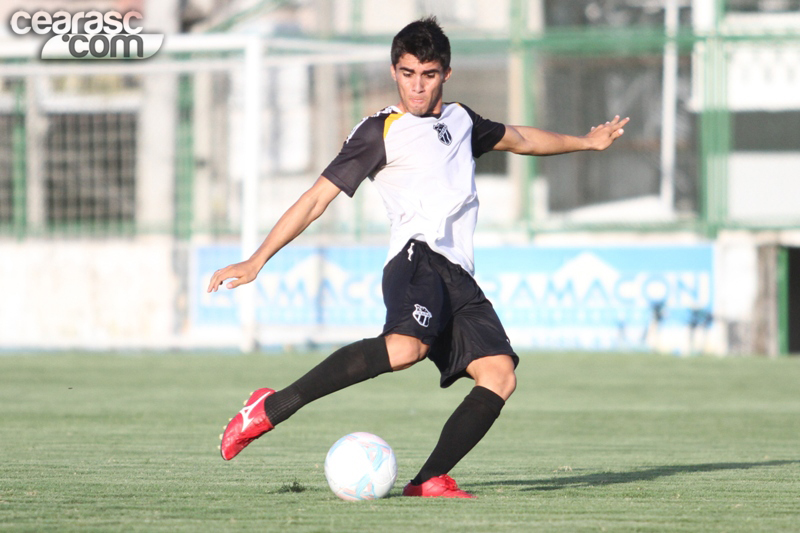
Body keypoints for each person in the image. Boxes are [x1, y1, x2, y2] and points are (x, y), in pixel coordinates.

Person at [207, 16, 629, 499]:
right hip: (416, 258)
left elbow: (522, 139)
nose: (417, 86)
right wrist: (256, 260)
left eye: (427, 75)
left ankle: (428, 478)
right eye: (407, 73)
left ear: (445, 74)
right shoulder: (380, 131)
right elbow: (315, 198)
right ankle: (269, 408)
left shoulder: (463, 121)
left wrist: (587, 142)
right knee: (406, 348)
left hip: (459, 275)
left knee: (499, 375)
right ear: (394, 72)